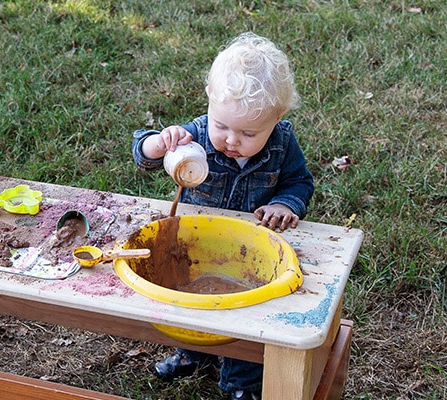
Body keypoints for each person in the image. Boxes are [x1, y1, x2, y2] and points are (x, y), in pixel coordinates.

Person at [130, 32, 314, 400]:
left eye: (248, 133)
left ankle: (240, 381)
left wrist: (285, 204)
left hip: (252, 249)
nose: (231, 140)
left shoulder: (282, 144)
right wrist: (159, 143)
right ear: (210, 104)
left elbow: (299, 181)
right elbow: (143, 153)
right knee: (190, 298)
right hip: (201, 244)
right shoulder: (196, 136)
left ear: (277, 119)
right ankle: (191, 353)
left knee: (249, 312)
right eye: (222, 126)